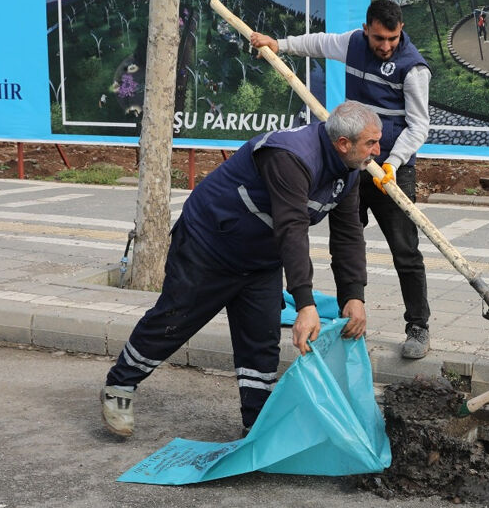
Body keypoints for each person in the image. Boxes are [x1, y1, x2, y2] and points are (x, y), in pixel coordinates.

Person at [99, 102, 380, 437]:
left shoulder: (349, 170)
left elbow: (348, 234)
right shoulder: (290, 156)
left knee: (261, 339)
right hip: (209, 244)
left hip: (260, 259)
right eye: (371, 143)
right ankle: (119, 386)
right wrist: (304, 304)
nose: (378, 151)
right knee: (173, 320)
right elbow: (292, 228)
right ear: (343, 143)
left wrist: (354, 295)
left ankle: (257, 425)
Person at [250, 0, 433, 359]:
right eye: (379, 38)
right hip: (350, 163)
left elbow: (419, 126)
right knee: (346, 240)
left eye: (392, 39)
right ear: (366, 29)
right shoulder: (352, 44)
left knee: (405, 250)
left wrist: (393, 163)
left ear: (401, 30)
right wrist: (279, 44)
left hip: (391, 170)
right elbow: (318, 43)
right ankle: (351, 313)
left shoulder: (414, 70)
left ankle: (418, 325)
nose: (385, 46)